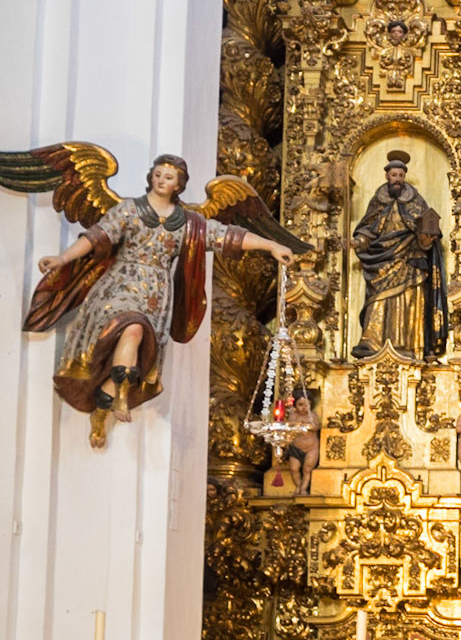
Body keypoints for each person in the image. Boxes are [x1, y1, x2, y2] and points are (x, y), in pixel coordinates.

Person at [27, 154, 292, 436]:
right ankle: (118, 397)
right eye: (158, 174)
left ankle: (106, 401)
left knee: (136, 335)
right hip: (120, 286)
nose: (161, 180)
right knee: (132, 330)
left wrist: (271, 245)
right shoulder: (129, 211)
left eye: (168, 177)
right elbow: (95, 238)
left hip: (155, 294)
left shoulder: (188, 223)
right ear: (150, 176)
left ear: (179, 185)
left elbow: (229, 236)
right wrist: (62, 258)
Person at [351, 150, 448, 361]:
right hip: (382, 261)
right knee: (377, 300)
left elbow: (426, 228)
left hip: (409, 260)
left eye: (401, 176)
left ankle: (410, 345)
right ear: (387, 175)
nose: (397, 179)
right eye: (394, 175)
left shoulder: (415, 200)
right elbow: (369, 228)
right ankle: (371, 341)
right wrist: (358, 241)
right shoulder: (379, 200)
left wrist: (426, 237)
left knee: (409, 301)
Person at [286, 389, 320, 496]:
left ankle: (304, 489)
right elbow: (289, 427)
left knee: (307, 469)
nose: (304, 408)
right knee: (293, 468)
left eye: (307, 405)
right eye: (300, 404)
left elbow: (316, 426)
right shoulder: (293, 416)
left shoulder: (312, 415)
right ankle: (299, 485)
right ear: (295, 405)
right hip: (296, 448)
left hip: (311, 448)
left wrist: (305, 425)